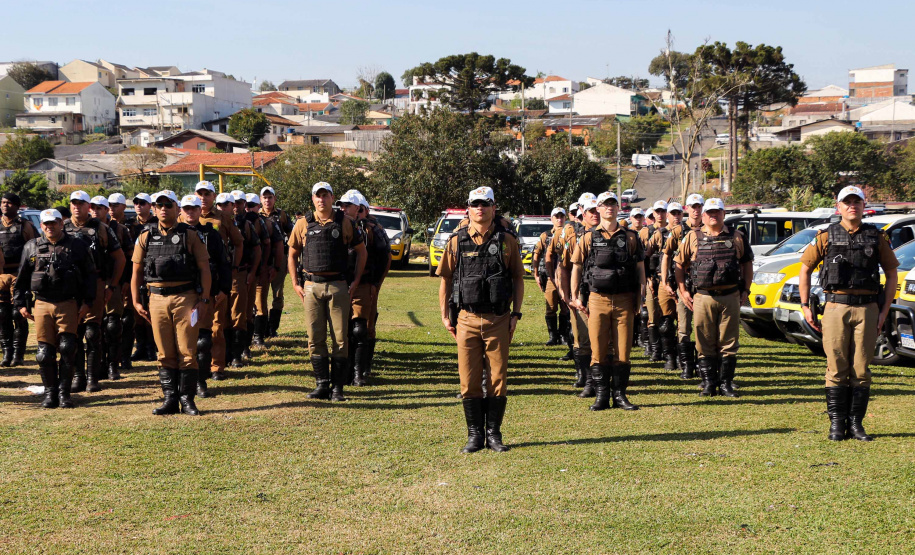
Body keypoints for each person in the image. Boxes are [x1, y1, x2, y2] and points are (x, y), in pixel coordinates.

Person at [799, 186, 899, 442]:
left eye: (857, 202)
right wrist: (805, 305)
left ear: (864, 206)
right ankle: (836, 424)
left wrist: (883, 311)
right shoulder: (824, 236)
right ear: (839, 206)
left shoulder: (876, 237)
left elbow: (891, 274)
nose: (852, 206)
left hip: (868, 308)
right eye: (847, 202)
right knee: (836, 367)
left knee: (861, 368)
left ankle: (856, 424)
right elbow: (805, 269)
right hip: (835, 307)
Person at [438, 186, 524, 453]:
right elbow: (446, 280)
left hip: (498, 319)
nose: (480, 208)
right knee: (469, 379)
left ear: (493, 208)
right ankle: (475, 435)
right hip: (466, 319)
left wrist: (516, 314)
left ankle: (494, 434)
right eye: (475, 203)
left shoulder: (507, 240)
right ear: (468, 207)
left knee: (497, 379)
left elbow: (518, 278)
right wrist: (445, 316)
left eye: (485, 203)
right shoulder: (456, 241)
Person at [132, 191, 211, 416]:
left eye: (169, 205)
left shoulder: (191, 235)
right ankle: (170, 399)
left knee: (187, 351)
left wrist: (204, 299)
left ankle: (187, 400)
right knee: (164, 352)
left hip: (185, 297)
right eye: (160, 205)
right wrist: (137, 301)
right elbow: (136, 271)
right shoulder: (145, 235)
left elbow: (205, 268)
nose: (164, 209)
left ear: (177, 209)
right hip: (156, 299)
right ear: (154, 209)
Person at [288, 182, 367, 402]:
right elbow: (292, 253)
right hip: (311, 287)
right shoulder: (302, 224)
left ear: (332, 198)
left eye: (325, 195)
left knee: (341, 338)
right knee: (315, 337)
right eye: (317, 196)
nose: (321, 199)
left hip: (338, 286)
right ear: (313, 199)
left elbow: (362, 252)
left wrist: (356, 281)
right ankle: (322, 385)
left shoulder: (345, 223)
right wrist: (296, 283)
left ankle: (337, 388)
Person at [571, 192, 645, 411]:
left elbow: (640, 269)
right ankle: (602, 395)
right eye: (605, 205)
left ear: (617, 208)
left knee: (623, 351)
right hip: (597, 300)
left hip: (624, 299)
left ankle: (620, 395)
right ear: (598, 209)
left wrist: (640, 298)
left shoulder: (631, 237)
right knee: (598, 351)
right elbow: (576, 266)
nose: (609, 208)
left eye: (613, 204)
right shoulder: (588, 237)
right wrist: (575, 297)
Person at [15, 209, 96, 408]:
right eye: (46, 224)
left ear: (62, 223)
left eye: (54, 223)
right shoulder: (31, 246)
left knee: (68, 349)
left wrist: (88, 302)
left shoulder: (77, 246)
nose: (50, 227)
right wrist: (19, 304)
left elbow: (90, 276)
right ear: (41, 225)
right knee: (44, 353)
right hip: (41, 303)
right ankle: (50, 394)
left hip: (68, 303)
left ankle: (64, 394)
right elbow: (22, 277)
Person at [675, 198, 753, 398]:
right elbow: (679, 265)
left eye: (717, 211)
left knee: (729, 341)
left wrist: (746, 289)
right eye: (709, 212)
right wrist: (683, 290)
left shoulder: (737, 237)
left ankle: (725, 383)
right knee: (704, 341)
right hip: (703, 297)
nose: (713, 215)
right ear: (703, 215)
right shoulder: (692, 237)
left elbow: (746, 265)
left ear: (723, 213)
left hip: (730, 296)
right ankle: (709, 383)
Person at [64, 190, 126, 394]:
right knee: (73, 334)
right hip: (70, 288)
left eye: (81, 203)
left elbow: (120, 258)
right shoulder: (62, 227)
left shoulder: (102, 228)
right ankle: (78, 376)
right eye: (73, 203)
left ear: (88, 206)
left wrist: (112, 285)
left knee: (92, 332)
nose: (76, 206)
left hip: (96, 283)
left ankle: (93, 378)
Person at [180, 194, 232, 398]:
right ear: (180, 210)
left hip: (204, 294)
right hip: (178, 295)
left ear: (200, 210)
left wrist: (223, 289)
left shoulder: (211, 234)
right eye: (186, 208)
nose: (190, 212)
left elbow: (223, 263)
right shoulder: (171, 233)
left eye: (194, 208)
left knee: (203, 341)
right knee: (181, 343)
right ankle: (182, 383)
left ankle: (200, 382)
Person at [338, 190, 391, 386]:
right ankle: (345, 370)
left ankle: (360, 372)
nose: (343, 209)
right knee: (343, 329)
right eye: (341, 206)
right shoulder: (337, 225)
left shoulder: (372, 229)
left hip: (365, 284)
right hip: (341, 284)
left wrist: (376, 284)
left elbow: (385, 257)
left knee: (362, 329)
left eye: (347, 206)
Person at [192, 182, 244, 381]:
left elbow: (238, 243)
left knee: (216, 326)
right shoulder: (183, 217)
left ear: (214, 197)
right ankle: (194, 366)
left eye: (207, 194)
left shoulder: (223, 218)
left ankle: (217, 367)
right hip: (192, 280)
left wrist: (233, 269)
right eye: (200, 193)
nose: (203, 197)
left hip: (215, 278)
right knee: (192, 325)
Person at [558, 193, 599, 396]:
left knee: (603, 341)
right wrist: (568, 295)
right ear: (581, 212)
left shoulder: (612, 233)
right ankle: (585, 377)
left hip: (603, 294)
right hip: (581, 295)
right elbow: (565, 266)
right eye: (590, 210)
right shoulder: (574, 235)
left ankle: (600, 380)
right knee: (582, 339)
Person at [661, 194, 704, 380]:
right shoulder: (678, 231)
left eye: (698, 206)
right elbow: (666, 255)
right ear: (687, 208)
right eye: (692, 207)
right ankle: (686, 366)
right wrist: (664, 281)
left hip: (704, 284)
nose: (696, 210)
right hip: (684, 284)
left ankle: (704, 366)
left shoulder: (709, 230)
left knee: (705, 327)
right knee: (684, 326)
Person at [89, 195, 133, 380]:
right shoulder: (84, 229)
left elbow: (129, 258)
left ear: (107, 210)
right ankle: (97, 365)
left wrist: (125, 281)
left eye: (100, 208)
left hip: (113, 281)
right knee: (94, 327)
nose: (96, 211)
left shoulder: (120, 229)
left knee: (113, 324)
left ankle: (113, 365)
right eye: (93, 207)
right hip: (92, 282)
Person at [647, 201, 682, 371]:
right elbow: (647, 255)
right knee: (666, 322)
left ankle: (684, 358)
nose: (676, 216)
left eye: (678, 213)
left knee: (684, 323)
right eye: (672, 213)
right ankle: (669, 357)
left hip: (684, 282)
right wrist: (650, 278)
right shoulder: (660, 234)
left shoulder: (688, 233)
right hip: (663, 281)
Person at [0, 192, 35, 367]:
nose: (5, 205)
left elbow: (34, 250)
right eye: (3, 202)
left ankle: (19, 354)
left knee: (18, 314)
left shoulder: (25, 225)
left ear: (17, 206)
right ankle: (7, 353)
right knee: (2, 315)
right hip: (1, 275)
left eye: (9, 203)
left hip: (20, 275)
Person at [125, 192, 158, 363]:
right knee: (137, 312)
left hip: (153, 271)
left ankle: (152, 347)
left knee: (151, 310)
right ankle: (140, 347)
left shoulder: (158, 224)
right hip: (136, 271)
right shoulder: (129, 225)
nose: (138, 205)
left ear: (150, 206)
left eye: (143, 203)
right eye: (136, 202)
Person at [259, 186, 294, 337]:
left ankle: (273, 327)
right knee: (260, 294)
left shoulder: (282, 215)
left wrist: (289, 255)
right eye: (264, 197)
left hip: (279, 258)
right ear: (260, 199)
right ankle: (262, 327)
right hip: (262, 259)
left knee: (277, 294)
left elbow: (291, 233)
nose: (267, 200)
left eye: (270, 197)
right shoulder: (256, 214)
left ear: (274, 199)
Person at [531, 207, 567, 347]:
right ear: (551, 219)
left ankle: (563, 335)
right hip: (550, 276)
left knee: (565, 306)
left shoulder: (569, 234)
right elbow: (536, 254)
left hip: (565, 276)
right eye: (556, 217)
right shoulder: (545, 236)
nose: (559, 219)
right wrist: (535, 274)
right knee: (551, 306)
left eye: (561, 216)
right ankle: (553, 336)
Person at [639, 201, 669, 363]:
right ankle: (654, 349)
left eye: (663, 211)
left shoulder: (674, 231)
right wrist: (647, 279)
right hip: (652, 279)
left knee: (667, 315)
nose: (660, 214)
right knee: (651, 314)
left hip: (667, 279)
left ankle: (668, 349)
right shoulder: (646, 232)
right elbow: (644, 258)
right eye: (657, 211)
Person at [628, 208, 647, 349]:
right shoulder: (627, 235)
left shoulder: (647, 232)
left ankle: (640, 336)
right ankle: (632, 336)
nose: (638, 219)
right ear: (631, 218)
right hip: (630, 273)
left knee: (641, 308)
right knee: (630, 307)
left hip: (642, 271)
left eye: (640, 216)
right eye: (635, 217)